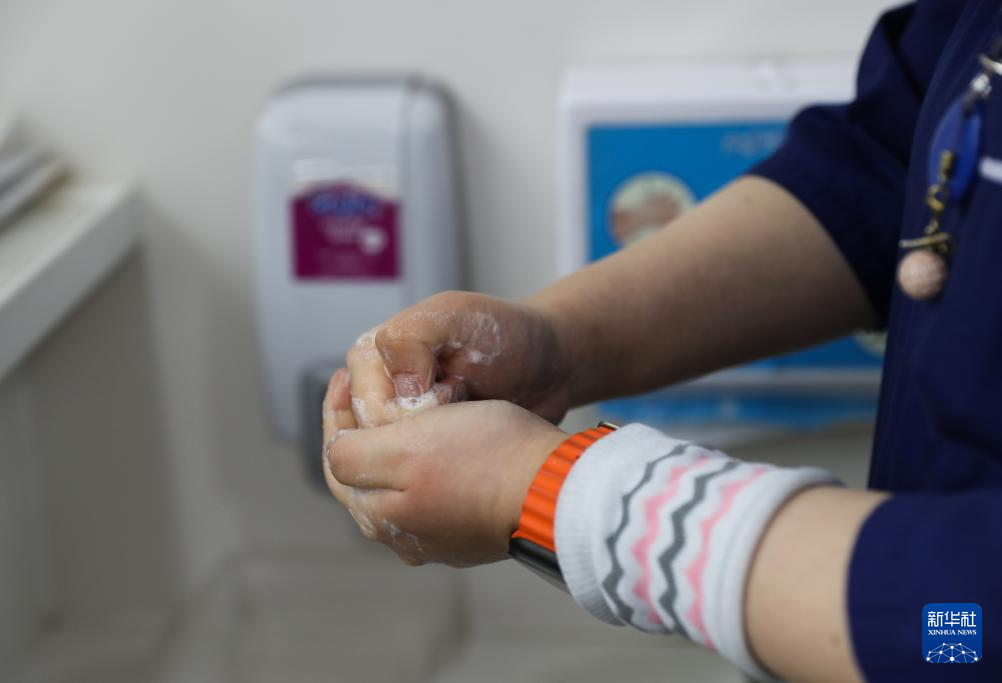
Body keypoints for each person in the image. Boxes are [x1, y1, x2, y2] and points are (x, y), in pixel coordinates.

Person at [320, 1, 1002, 680]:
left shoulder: (954, 632)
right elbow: (891, 164)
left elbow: (964, 627)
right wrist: (561, 341)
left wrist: (548, 492)